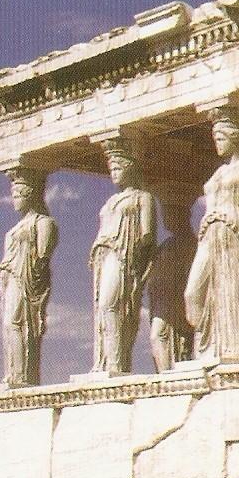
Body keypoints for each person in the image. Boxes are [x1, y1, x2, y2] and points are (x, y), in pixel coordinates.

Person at [184, 115, 239, 362]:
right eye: (215, 139)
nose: (217, 144)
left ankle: (233, 348)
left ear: (235, 138)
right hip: (209, 234)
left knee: (233, 289)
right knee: (192, 293)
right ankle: (207, 346)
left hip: (234, 232)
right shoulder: (219, 172)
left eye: (221, 138)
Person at [89, 147, 157, 374]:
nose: (114, 173)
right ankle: (106, 362)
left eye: (118, 168)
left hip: (124, 255)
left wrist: (139, 265)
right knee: (102, 309)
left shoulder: (143, 198)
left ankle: (117, 363)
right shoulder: (111, 201)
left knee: (111, 304)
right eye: (111, 169)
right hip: (103, 256)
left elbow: (147, 235)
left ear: (130, 168)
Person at [0, 167, 58, 387]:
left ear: (30, 195)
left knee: (18, 323)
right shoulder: (15, 229)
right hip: (10, 279)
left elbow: (42, 257)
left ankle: (24, 376)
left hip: (26, 280)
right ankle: (14, 373)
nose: (14, 200)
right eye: (13, 195)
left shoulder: (44, 223)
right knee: (9, 325)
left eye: (18, 195)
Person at [147, 194, 196, 371]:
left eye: (168, 215)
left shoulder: (191, 243)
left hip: (176, 298)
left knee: (158, 335)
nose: (166, 221)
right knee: (162, 336)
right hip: (162, 298)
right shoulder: (168, 243)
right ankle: (166, 373)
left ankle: (167, 376)